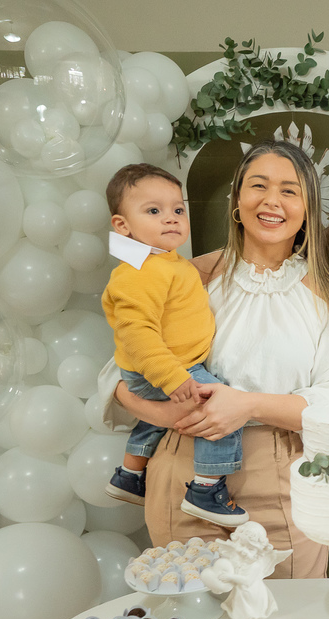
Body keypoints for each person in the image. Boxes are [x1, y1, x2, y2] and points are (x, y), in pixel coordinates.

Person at [110, 139, 329, 579]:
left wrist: (247, 405)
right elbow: (120, 366)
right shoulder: (189, 274)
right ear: (237, 201)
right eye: (258, 185)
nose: (271, 200)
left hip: (283, 473)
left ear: (308, 208)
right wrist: (165, 413)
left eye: (289, 190)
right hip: (183, 465)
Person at [100, 163, 248, 526]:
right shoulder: (138, 274)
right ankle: (205, 488)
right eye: (154, 211)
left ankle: (130, 475)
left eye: (177, 209)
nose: (171, 218)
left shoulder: (166, 262)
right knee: (220, 406)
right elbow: (137, 333)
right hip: (167, 367)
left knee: (155, 420)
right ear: (123, 226)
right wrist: (172, 377)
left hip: (168, 367)